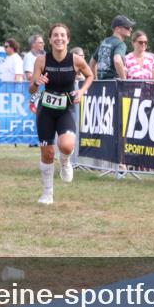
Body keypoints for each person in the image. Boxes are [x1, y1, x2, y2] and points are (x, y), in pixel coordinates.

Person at [30, 23, 94, 205]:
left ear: (68, 39)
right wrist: (37, 82)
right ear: (50, 40)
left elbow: (90, 76)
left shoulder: (76, 60)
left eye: (62, 35)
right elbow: (31, 88)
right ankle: (47, 193)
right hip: (46, 110)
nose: (59, 38)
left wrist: (81, 92)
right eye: (55, 35)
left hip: (66, 108)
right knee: (48, 153)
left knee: (66, 146)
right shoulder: (42, 60)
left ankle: (65, 161)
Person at [92, 16, 134, 80]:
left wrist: (95, 80)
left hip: (101, 83)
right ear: (117, 29)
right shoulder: (120, 44)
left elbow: (92, 62)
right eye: (127, 27)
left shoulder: (104, 42)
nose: (131, 29)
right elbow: (117, 60)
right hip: (114, 84)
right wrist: (124, 80)